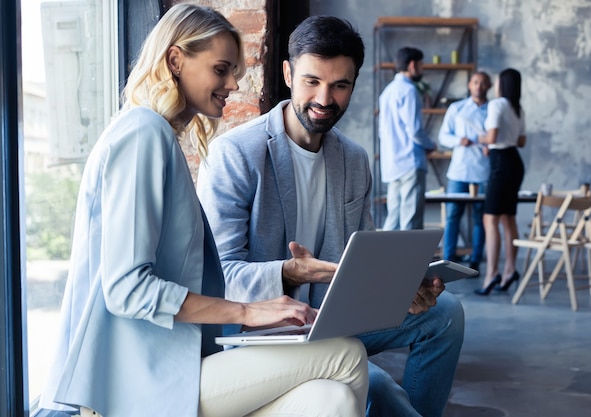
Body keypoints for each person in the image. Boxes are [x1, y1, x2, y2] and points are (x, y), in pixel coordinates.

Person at [37, 5, 369, 417]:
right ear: (176, 60)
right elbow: (127, 288)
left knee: (329, 400)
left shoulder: (158, 139)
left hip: (179, 362)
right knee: (346, 354)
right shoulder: (143, 133)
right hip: (134, 382)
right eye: (221, 68)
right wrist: (248, 310)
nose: (232, 83)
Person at [197, 16, 464, 417]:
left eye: (340, 85)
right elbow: (220, 280)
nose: (325, 98)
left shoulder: (354, 160)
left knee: (446, 313)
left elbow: (360, 262)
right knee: (390, 400)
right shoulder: (236, 154)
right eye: (312, 81)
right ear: (288, 73)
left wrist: (399, 287)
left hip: (333, 319)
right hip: (265, 331)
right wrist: (290, 272)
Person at [475, 68, 526, 295]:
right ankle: (509, 270)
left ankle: (491, 274)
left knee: (490, 219)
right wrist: (496, 143)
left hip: (501, 164)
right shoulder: (518, 108)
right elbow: (521, 141)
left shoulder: (497, 105)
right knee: (508, 219)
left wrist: (481, 139)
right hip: (515, 161)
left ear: (502, 85)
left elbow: (492, 137)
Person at [438, 72, 492, 273]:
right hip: (459, 171)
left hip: (483, 171)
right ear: (470, 85)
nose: (479, 86)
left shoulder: (493, 110)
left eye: (483, 82)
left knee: (481, 218)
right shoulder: (457, 108)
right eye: (476, 82)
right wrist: (458, 141)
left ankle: (476, 260)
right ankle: (447, 260)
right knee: (453, 216)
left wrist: (491, 144)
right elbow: (443, 135)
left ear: (489, 86)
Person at [378, 47, 437, 231]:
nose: (422, 69)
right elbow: (415, 131)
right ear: (412, 65)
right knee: (411, 221)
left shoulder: (387, 91)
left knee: (393, 221)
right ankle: (410, 261)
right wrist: (431, 145)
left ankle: (383, 260)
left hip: (392, 163)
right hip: (410, 161)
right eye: (421, 65)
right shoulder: (409, 90)